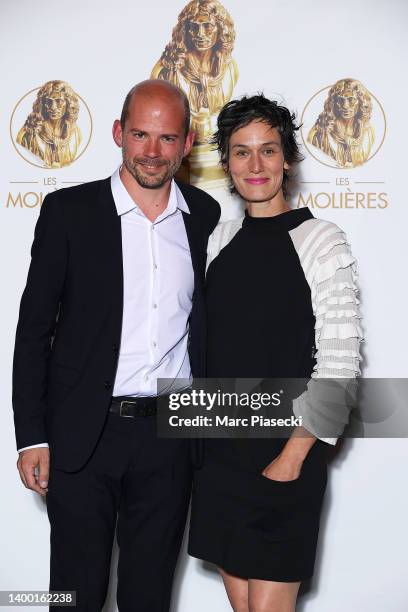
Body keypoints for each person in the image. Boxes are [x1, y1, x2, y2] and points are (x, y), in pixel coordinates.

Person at [13, 79, 220, 612]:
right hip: (84, 433)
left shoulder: (207, 217)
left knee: (149, 597)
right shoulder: (68, 213)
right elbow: (33, 330)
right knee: (74, 596)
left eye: (166, 138)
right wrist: (31, 436)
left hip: (172, 434)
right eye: (140, 135)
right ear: (117, 134)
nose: (151, 152)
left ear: (187, 141)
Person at [188, 94, 362, 611]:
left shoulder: (321, 240)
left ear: (287, 159)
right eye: (241, 152)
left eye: (268, 150)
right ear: (226, 164)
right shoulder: (217, 241)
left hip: (284, 453)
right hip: (219, 456)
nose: (256, 165)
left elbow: (340, 361)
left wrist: (293, 455)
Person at [151, 0, 238, 143]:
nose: (200, 34)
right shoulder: (168, 69)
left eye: (208, 26)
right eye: (194, 27)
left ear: (221, 29)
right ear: (185, 30)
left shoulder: (229, 68)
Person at [307, 78, 374, 168]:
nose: (345, 106)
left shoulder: (367, 131)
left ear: (361, 103)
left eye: (351, 100)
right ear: (334, 102)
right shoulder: (321, 130)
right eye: (341, 100)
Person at [16, 80, 82, 168]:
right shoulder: (30, 132)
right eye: (48, 101)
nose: (53, 107)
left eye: (59, 101)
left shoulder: (75, 133)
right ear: (42, 103)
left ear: (68, 103)